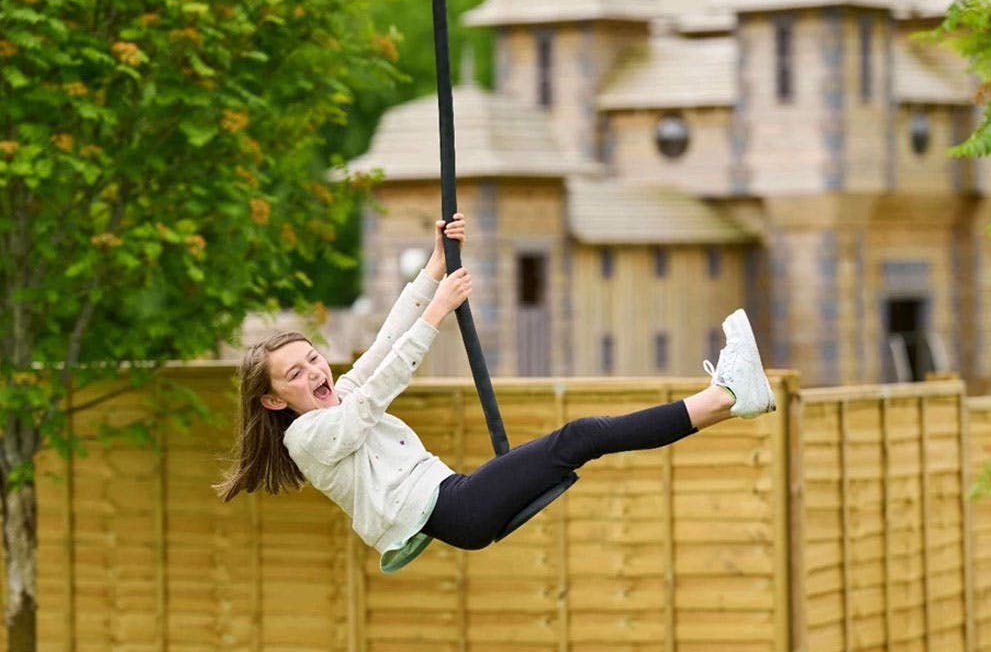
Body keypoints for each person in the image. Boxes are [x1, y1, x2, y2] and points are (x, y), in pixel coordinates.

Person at [216, 213, 776, 572]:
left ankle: (727, 399)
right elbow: (375, 395)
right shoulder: (309, 436)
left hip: (455, 498)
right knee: (578, 437)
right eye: (294, 375)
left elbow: (385, 344)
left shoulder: (336, 396)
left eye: (313, 358)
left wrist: (433, 269)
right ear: (273, 401)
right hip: (454, 510)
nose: (315, 372)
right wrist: (438, 312)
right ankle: (726, 397)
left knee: (579, 439)